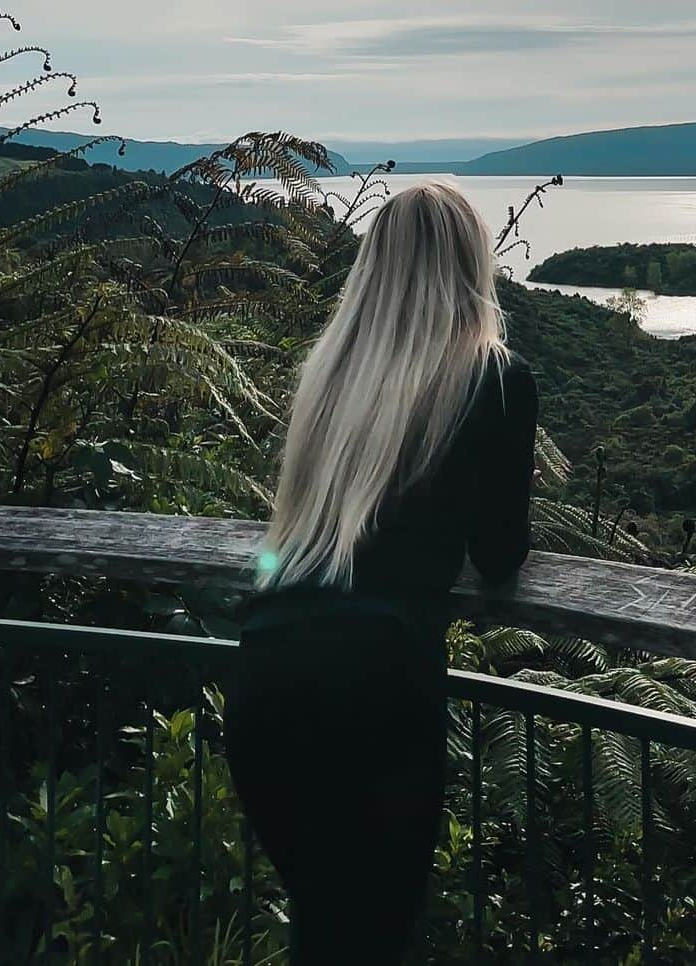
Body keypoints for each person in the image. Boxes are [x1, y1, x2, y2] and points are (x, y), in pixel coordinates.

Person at [222, 181, 538, 964]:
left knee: (324, 932)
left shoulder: (330, 376)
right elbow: (500, 557)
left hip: (266, 680)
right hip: (378, 691)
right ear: (472, 264)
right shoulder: (494, 379)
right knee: (369, 939)